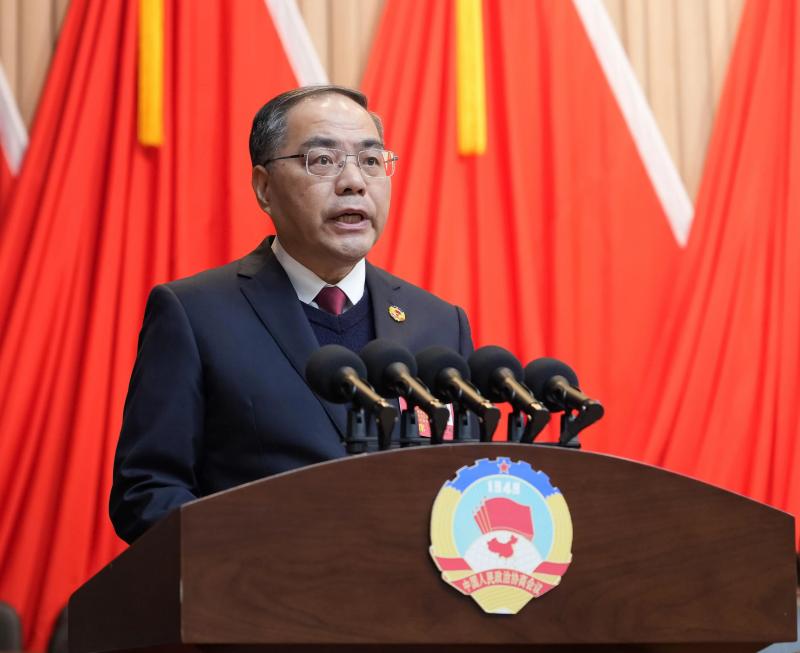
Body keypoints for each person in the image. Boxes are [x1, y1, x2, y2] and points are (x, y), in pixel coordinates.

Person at [109, 86, 474, 543]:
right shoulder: (196, 314)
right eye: (322, 160)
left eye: (371, 160)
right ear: (265, 188)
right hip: (258, 584)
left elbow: (464, 483)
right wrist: (262, 559)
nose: (354, 182)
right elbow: (146, 492)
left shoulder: (440, 324)